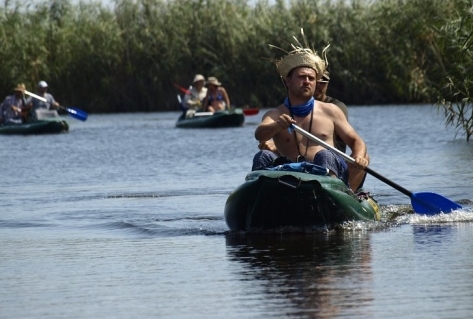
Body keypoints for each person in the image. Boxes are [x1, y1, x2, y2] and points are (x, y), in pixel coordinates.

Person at [252, 32, 369, 192]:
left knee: (325, 155)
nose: (307, 81)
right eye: (301, 77)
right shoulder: (275, 114)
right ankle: (262, 197)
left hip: (327, 175)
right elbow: (260, 135)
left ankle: (329, 196)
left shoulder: (331, 110)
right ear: (288, 81)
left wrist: (359, 156)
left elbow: (356, 141)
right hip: (289, 174)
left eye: (311, 78)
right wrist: (278, 126)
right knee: (262, 156)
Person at [315, 69, 369, 191]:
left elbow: (356, 140)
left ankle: (347, 193)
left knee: (364, 156)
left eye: (322, 82)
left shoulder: (336, 108)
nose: (318, 86)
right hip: (305, 161)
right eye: (316, 81)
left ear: (328, 84)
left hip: (332, 161)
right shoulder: (292, 108)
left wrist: (358, 157)